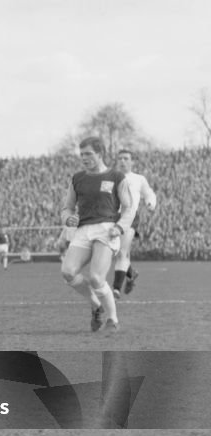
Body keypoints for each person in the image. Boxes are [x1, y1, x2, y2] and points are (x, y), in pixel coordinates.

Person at [59, 136, 136, 335]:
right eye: (81, 154)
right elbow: (67, 208)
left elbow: (129, 208)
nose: (84, 158)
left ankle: (112, 318)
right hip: (83, 230)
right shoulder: (77, 179)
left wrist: (119, 227)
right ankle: (95, 305)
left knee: (95, 277)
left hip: (107, 229)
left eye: (88, 154)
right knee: (68, 272)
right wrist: (68, 219)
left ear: (100, 154)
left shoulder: (117, 177)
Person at [111, 149, 157, 298]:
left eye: (126, 158)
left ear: (132, 161)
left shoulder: (139, 179)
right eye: (120, 158)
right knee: (115, 251)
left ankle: (116, 288)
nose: (123, 161)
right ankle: (131, 274)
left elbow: (149, 193)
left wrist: (150, 203)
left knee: (122, 252)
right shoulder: (110, 177)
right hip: (112, 217)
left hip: (130, 217)